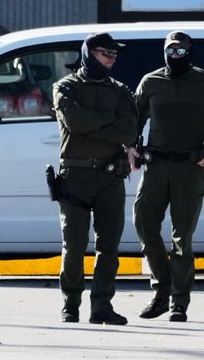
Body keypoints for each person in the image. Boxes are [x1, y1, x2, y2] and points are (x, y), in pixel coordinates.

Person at [128, 31, 204, 323]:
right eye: (170, 50)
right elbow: (134, 117)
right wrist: (130, 147)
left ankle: (178, 301)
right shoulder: (150, 82)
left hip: (190, 168)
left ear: (190, 52)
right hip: (155, 166)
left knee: (182, 236)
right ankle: (161, 290)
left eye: (180, 51)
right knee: (143, 224)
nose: (175, 55)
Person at [52, 32, 138, 325]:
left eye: (114, 55)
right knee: (74, 245)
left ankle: (102, 306)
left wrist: (93, 124)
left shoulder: (122, 91)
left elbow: (129, 133)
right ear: (89, 53)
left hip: (110, 176)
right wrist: (108, 121)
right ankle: (71, 304)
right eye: (105, 53)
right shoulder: (66, 87)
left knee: (109, 246)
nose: (111, 59)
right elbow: (75, 122)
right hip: (75, 175)